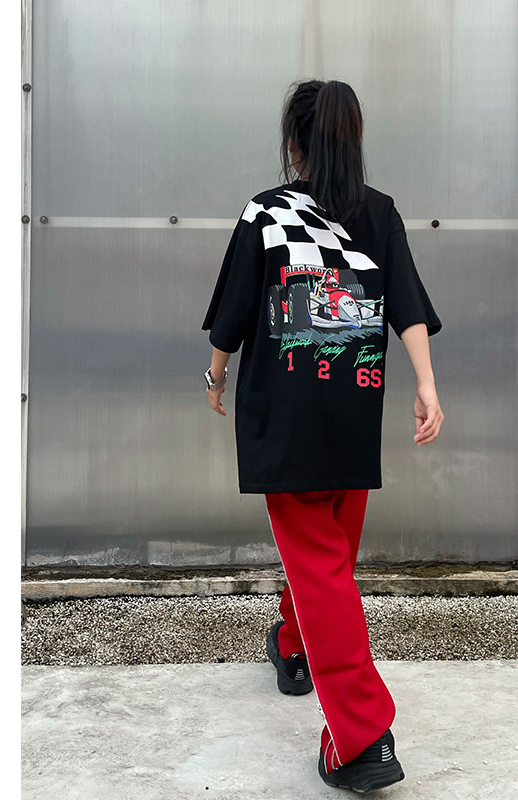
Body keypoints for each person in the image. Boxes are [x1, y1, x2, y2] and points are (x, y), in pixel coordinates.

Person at [201, 79, 443, 793]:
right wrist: (427, 385)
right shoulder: (380, 212)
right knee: (326, 561)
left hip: (287, 421)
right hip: (353, 416)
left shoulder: (267, 211)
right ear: (353, 139)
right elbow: (408, 306)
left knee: (322, 570)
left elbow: (233, 314)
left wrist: (214, 375)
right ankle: (292, 642)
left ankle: (361, 740)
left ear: (293, 143)